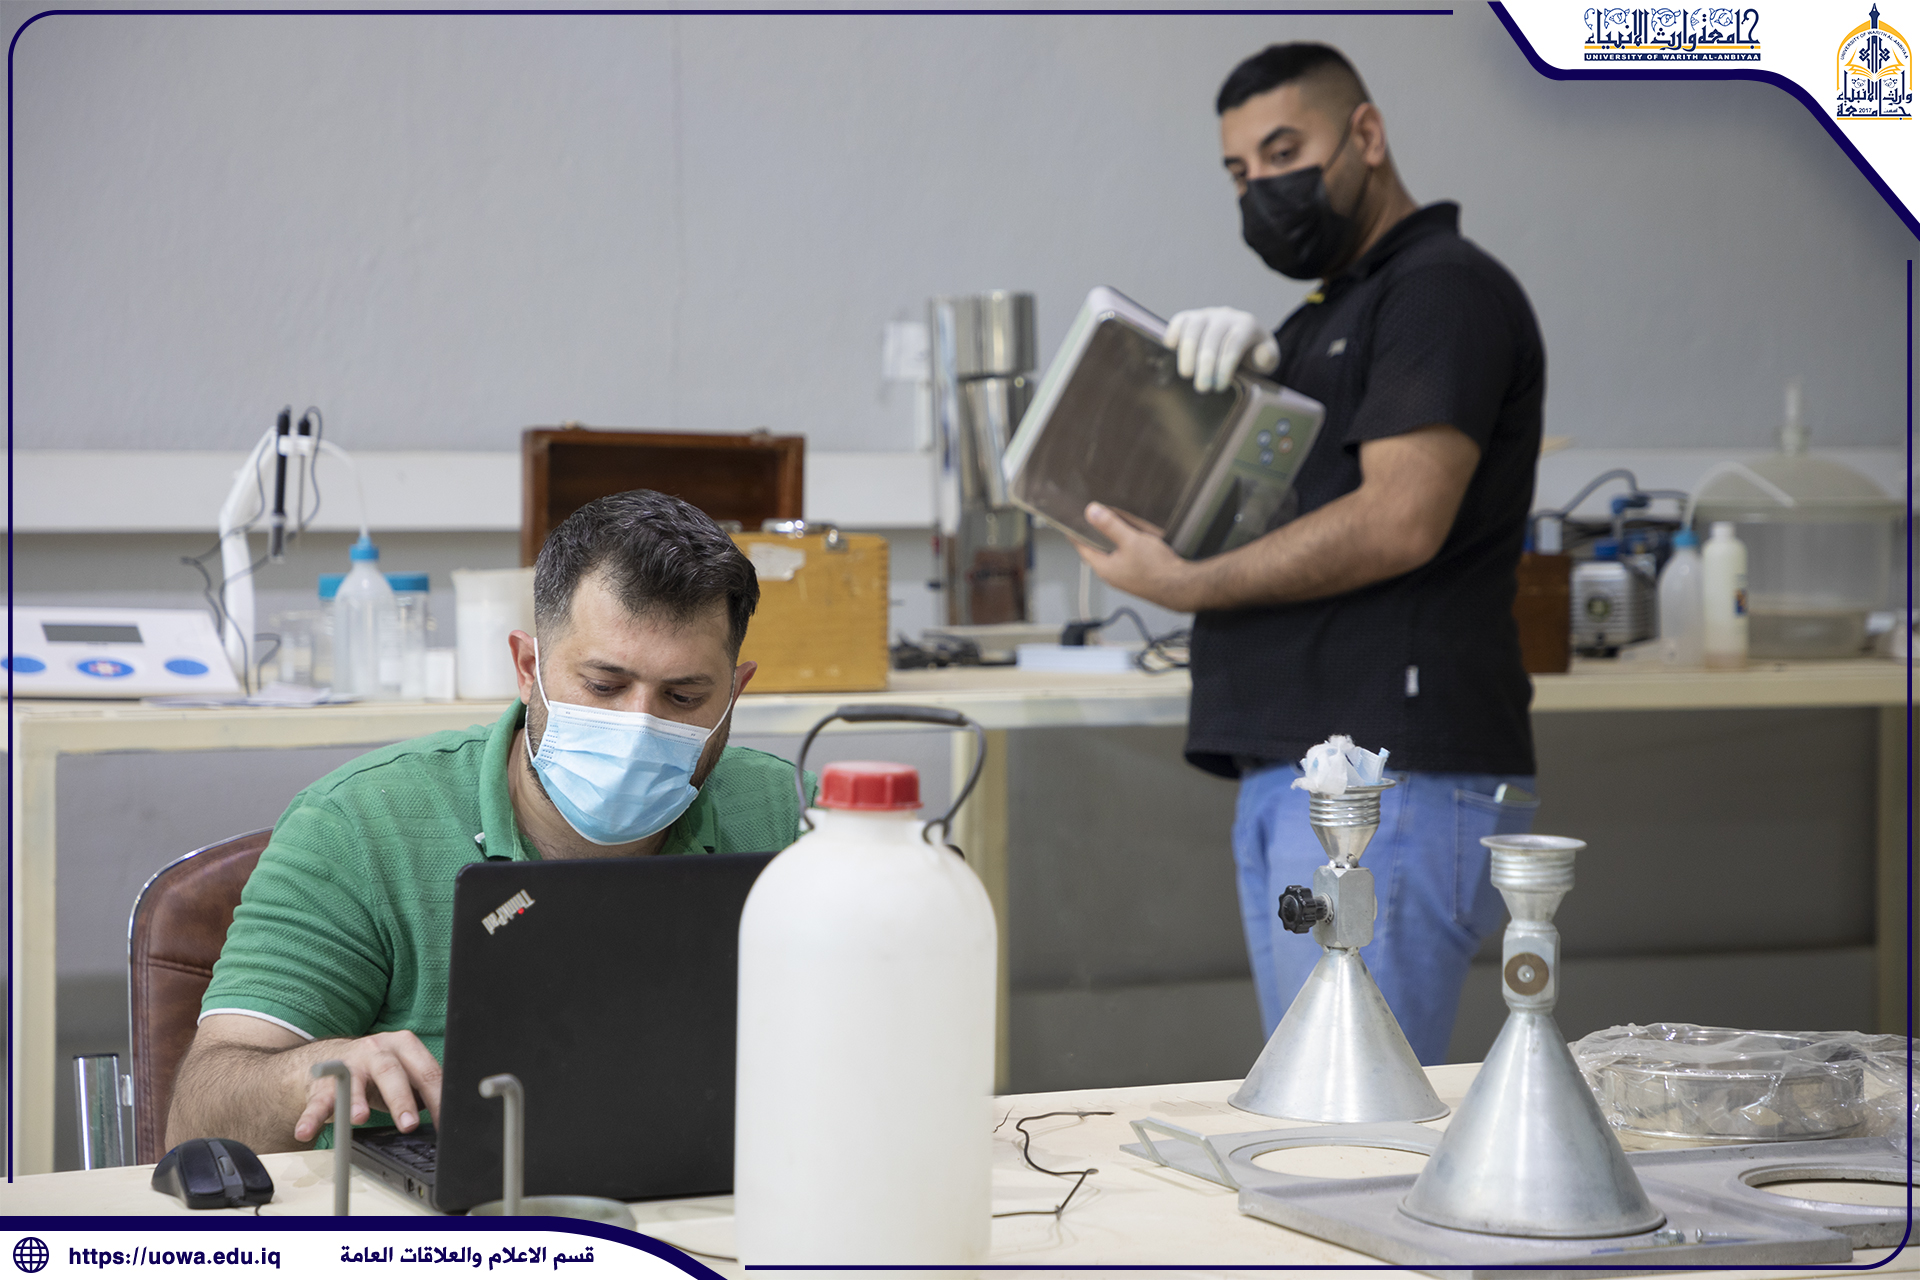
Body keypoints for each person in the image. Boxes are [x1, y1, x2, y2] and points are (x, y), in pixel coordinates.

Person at [1076, 42, 1543, 1064]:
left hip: (1385, 783)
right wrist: (1232, 396)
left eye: (1283, 152)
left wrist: (1186, 584)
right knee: (1318, 1099)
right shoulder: (1331, 314)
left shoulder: (1440, 290)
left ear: (1364, 135)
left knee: (1353, 1114)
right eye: (1239, 172)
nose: (1262, 189)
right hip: (1311, 777)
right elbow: (1276, 510)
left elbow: (1399, 519)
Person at [169, 490, 809, 1151]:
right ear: (529, 669)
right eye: (603, 686)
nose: (638, 727)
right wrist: (307, 1074)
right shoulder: (359, 827)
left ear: (734, 693)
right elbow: (197, 1124)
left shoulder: (793, 821)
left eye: (683, 697)